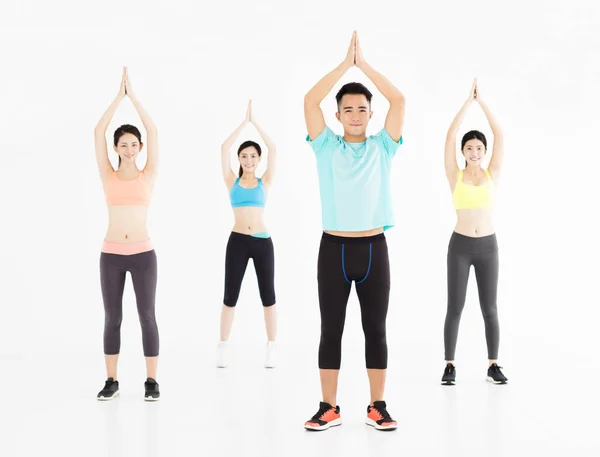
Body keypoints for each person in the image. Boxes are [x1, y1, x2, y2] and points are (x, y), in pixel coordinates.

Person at [303, 32, 405, 431]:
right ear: (339, 114)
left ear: (370, 113)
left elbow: (398, 101)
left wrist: (366, 68)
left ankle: (377, 405)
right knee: (331, 329)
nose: (356, 115)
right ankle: (328, 407)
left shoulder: (384, 147)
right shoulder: (325, 146)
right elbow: (310, 101)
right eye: (348, 109)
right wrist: (345, 66)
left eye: (363, 108)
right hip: (334, 250)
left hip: (374, 249)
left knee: (374, 329)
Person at [94, 67, 160, 401]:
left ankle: (151, 382)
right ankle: (111, 380)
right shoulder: (108, 174)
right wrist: (116, 99)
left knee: (147, 316)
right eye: (124, 145)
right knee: (112, 318)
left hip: (143, 255)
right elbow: (97, 131)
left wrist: (133, 98)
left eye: (134, 144)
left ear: (140, 147)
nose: (130, 149)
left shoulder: (148, 174)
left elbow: (154, 130)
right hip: (111, 256)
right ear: (117, 148)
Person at [441, 79, 508, 386]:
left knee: (489, 308)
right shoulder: (455, 175)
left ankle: (493, 364)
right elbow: (450, 135)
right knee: (455, 306)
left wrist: (483, 104)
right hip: (460, 246)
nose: (475, 151)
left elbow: (500, 134)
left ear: (484, 151)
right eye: (469, 148)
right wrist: (467, 103)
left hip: (488, 247)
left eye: (479, 148)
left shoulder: (491, 173)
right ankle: (450, 365)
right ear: (464, 152)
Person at [217, 100, 278, 368]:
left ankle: (272, 347)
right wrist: (243, 124)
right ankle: (222, 347)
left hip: (263, 242)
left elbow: (273, 148)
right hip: (238, 241)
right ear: (239, 160)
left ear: (258, 159)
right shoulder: (232, 181)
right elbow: (223, 148)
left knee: (268, 295)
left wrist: (257, 124)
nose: (249, 160)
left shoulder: (265, 181)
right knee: (230, 295)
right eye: (245, 156)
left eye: (254, 156)